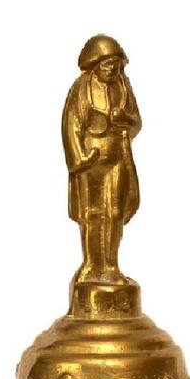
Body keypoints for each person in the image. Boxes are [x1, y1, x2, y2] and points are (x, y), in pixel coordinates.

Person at [61, 35, 142, 284]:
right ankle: (91, 265)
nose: (111, 69)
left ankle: (111, 266)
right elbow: (71, 124)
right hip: (91, 161)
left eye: (115, 65)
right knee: (92, 213)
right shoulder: (82, 88)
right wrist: (80, 157)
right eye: (107, 64)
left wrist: (125, 119)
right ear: (95, 64)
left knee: (115, 211)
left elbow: (137, 122)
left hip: (118, 157)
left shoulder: (123, 86)